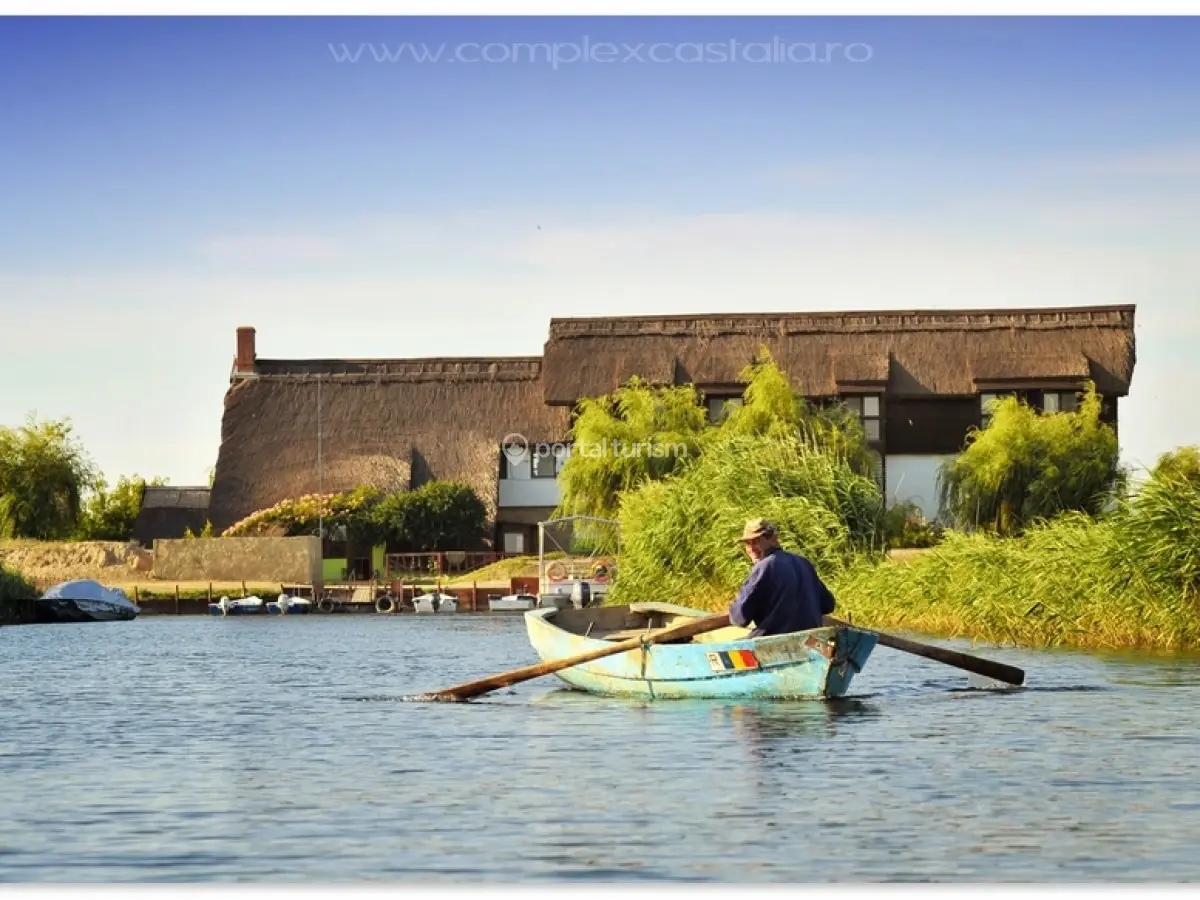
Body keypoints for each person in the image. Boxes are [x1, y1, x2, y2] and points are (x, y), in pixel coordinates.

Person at [728, 518, 836, 637]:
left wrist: (736, 604)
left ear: (774, 540)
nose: (752, 548)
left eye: (757, 541)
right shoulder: (804, 563)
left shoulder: (764, 567)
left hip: (773, 644)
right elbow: (828, 605)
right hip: (811, 641)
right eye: (748, 543)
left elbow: (739, 618)